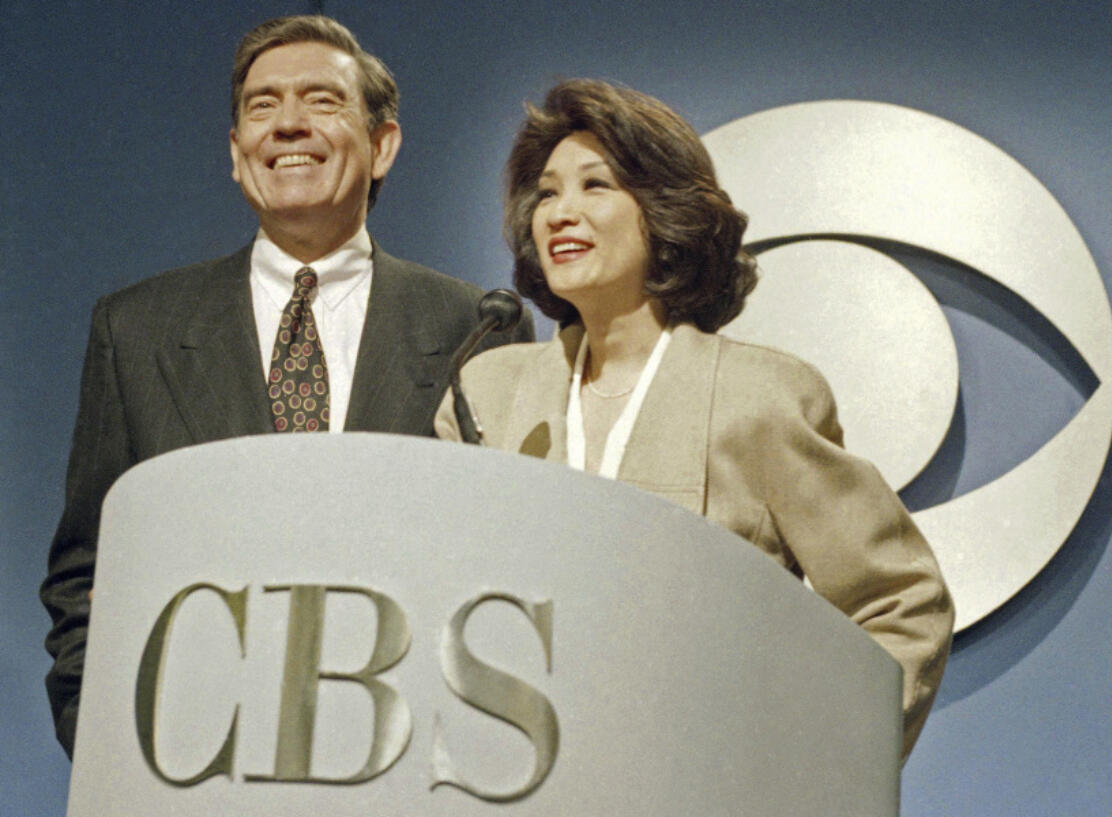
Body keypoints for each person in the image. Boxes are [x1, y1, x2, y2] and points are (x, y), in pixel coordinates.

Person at [40, 15, 532, 758]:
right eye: (261, 107)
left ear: (383, 145)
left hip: (404, 759)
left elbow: (504, 567)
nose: (288, 125)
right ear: (236, 154)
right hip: (192, 756)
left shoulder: (478, 327)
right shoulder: (135, 328)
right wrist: (100, 733)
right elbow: (86, 569)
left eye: (322, 102)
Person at [436, 79, 953, 760]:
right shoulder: (487, 395)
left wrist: (812, 768)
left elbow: (899, 602)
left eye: (596, 186)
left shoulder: (759, 397)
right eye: (548, 192)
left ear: (663, 212)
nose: (561, 212)